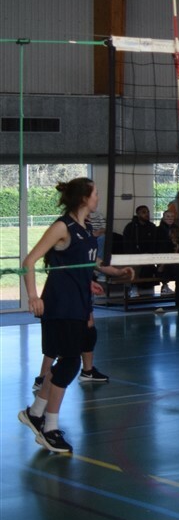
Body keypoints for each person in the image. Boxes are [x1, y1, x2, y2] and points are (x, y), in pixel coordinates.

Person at [18, 178, 132, 454]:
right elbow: (29, 261)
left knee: (66, 362)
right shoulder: (62, 226)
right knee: (69, 363)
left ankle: (35, 413)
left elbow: (90, 261)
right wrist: (33, 296)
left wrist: (115, 272)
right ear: (84, 198)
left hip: (79, 302)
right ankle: (49, 428)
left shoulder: (86, 228)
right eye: (95, 194)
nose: (97, 198)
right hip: (60, 303)